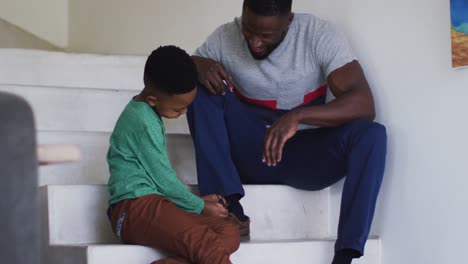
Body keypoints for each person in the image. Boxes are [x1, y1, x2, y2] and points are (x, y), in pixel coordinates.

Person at [187, 0, 387, 263]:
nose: (255, 43)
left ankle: (346, 254)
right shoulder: (226, 36)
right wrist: (195, 64)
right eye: (249, 31)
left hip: (305, 157)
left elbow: (364, 104)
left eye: (266, 36)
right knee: (199, 88)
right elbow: (183, 70)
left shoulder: (318, 35)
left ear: (289, 22)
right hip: (251, 151)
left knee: (372, 135)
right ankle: (229, 210)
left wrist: (298, 116)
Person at [106, 46, 240, 264]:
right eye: (178, 110)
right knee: (203, 241)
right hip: (133, 209)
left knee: (228, 232)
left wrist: (196, 202)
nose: (184, 113)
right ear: (152, 99)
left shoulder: (148, 112)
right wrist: (199, 206)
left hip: (155, 204)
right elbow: (165, 181)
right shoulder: (142, 121)